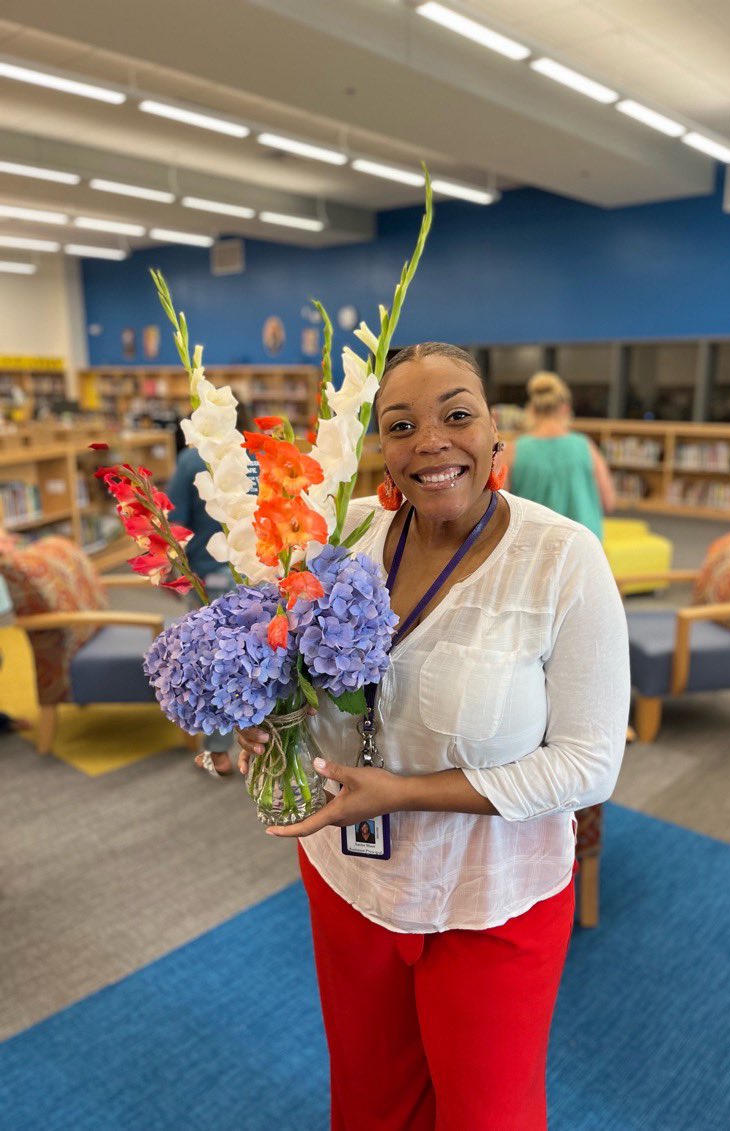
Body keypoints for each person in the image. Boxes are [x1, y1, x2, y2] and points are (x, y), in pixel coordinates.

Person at [236, 343, 630, 1131]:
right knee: (369, 1100)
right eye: (401, 424)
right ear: (383, 452)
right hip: (350, 880)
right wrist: (267, 717)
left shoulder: (563, 559)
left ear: (495, 439)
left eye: (456, 414)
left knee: (489, 1115)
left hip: (491, 898)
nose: (431, 440)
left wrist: (405, 795)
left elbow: (591, 765)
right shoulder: (348, 535)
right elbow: (303, 670)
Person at [168, 402, 252, 777]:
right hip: (259, 572)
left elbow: (174, 523)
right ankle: (266, 745)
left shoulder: (191, 461)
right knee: (256, 660)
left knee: (215, 665)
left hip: (211, 578)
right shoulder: (258, 457)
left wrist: (173, 574)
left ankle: (218, 753)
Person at [503, 371, 616, 540]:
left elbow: (500, 511)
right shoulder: (585, 446)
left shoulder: (513, 451)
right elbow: (609, 502)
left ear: (532, 410)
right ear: (566, 409)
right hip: (583, 549)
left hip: (533, 551)